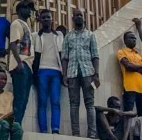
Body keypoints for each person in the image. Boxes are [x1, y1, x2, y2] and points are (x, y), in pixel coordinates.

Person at [61, 8, 100, 138]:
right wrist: (64, 75)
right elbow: (65, 57)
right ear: (72, 19)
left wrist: (96, 74)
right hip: (72, 73)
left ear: (84, 18)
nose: (78, 17)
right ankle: (75, 134)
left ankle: (92, 134)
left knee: (90, 104)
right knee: (73, 104)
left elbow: (95, 56)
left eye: (80, 15)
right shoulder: (68, 36)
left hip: (88, 73)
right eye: (76, 15)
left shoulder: (90, 35)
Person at [33, 8, 64, 133]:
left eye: (48, 17)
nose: (46, 19)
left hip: (56, 71)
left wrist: (64, 74)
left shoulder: (59, 35)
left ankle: (55, 129)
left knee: (55, 101)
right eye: (44, 17)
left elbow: (63, 54)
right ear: (40, 20)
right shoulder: (35, 36)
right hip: (42, 71)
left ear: (52, 19)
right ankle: (43, 130)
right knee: (42, 102)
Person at [8, 0, 35, 124]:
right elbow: (13, 43)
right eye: (26, 8)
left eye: (30, 8)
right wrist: (19, 62)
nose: (29, 10)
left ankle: (18, 124)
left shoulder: (26, 26)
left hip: (28, 65)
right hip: (21, 64)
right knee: (20, 97)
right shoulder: (16, 23)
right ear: (18, 10)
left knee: (24, 99)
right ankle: (15, 125)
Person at [117, 31, 142, 116]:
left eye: (135, 38)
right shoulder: (121, 52)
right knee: (128, 114)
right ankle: (127, 130)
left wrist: (134, 67)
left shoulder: (140, 55)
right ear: (125, 40)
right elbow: (128, 66)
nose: (134, 40)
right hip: (129, 87)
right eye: (131, 38)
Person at [0, 70, 23, 140]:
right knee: (4, 124)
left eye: (5, 79)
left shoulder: (9, 95)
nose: (4, 81)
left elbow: (11, 111)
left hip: (8, 120)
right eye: (2, 79)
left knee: (17, 127)